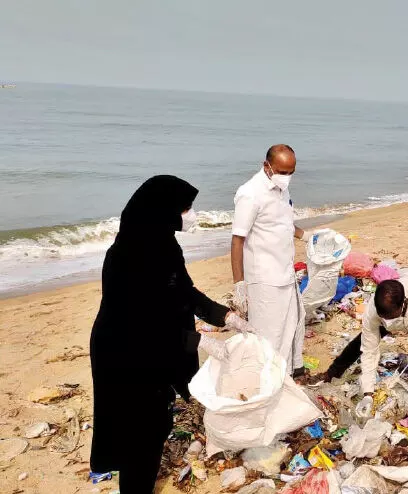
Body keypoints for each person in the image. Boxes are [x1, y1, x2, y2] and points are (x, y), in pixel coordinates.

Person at [90, 176, 247, 492]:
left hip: (157, 346)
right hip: (125, 352)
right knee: (141, 431)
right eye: (186, 208)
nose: (191, 214)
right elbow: (140, 324)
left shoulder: (164, 245)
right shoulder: (125, 256)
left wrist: (225, 316)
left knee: (157, 421)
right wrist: (199, 340)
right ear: (163, 211)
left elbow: (184, 291)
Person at [231, 144, 310, 377]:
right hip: (264, 278)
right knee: (269, 336)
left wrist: (307, 236)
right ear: (267, 166)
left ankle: (285, 377)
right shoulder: (250, 194)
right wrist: (239, 284)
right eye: (282, 172)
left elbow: (282, 223)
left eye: (291, 172)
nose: (286, 177)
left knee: (292, 326)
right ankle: (267, 382)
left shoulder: (281, 189)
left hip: (285, 271)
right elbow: (237, 240)